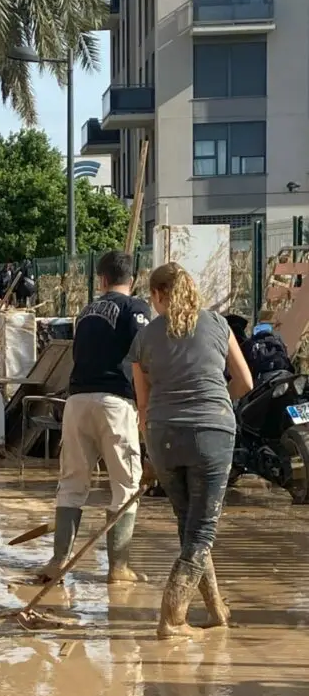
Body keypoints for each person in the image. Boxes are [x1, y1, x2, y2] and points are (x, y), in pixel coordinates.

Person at [131, 262, 253, 638]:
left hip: (163, 434)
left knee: (189, 527)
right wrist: (219, 405)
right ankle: (172, 618)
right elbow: (245, 381)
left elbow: (143, 405)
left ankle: (216, 610)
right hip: (211, 433)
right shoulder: (219, 325)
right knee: (202, 531)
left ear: (156, 295)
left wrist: (149, 451)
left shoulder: (145, 338)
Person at [37, 250, 152, 585]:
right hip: (115, 403)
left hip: (76, 401)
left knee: (72, 483)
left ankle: (59, 560)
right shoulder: (137, 309)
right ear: (133, 278)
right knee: (125, 485)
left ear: (101, 280)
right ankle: (118, 568)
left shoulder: (86, 311)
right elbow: (143, 358)